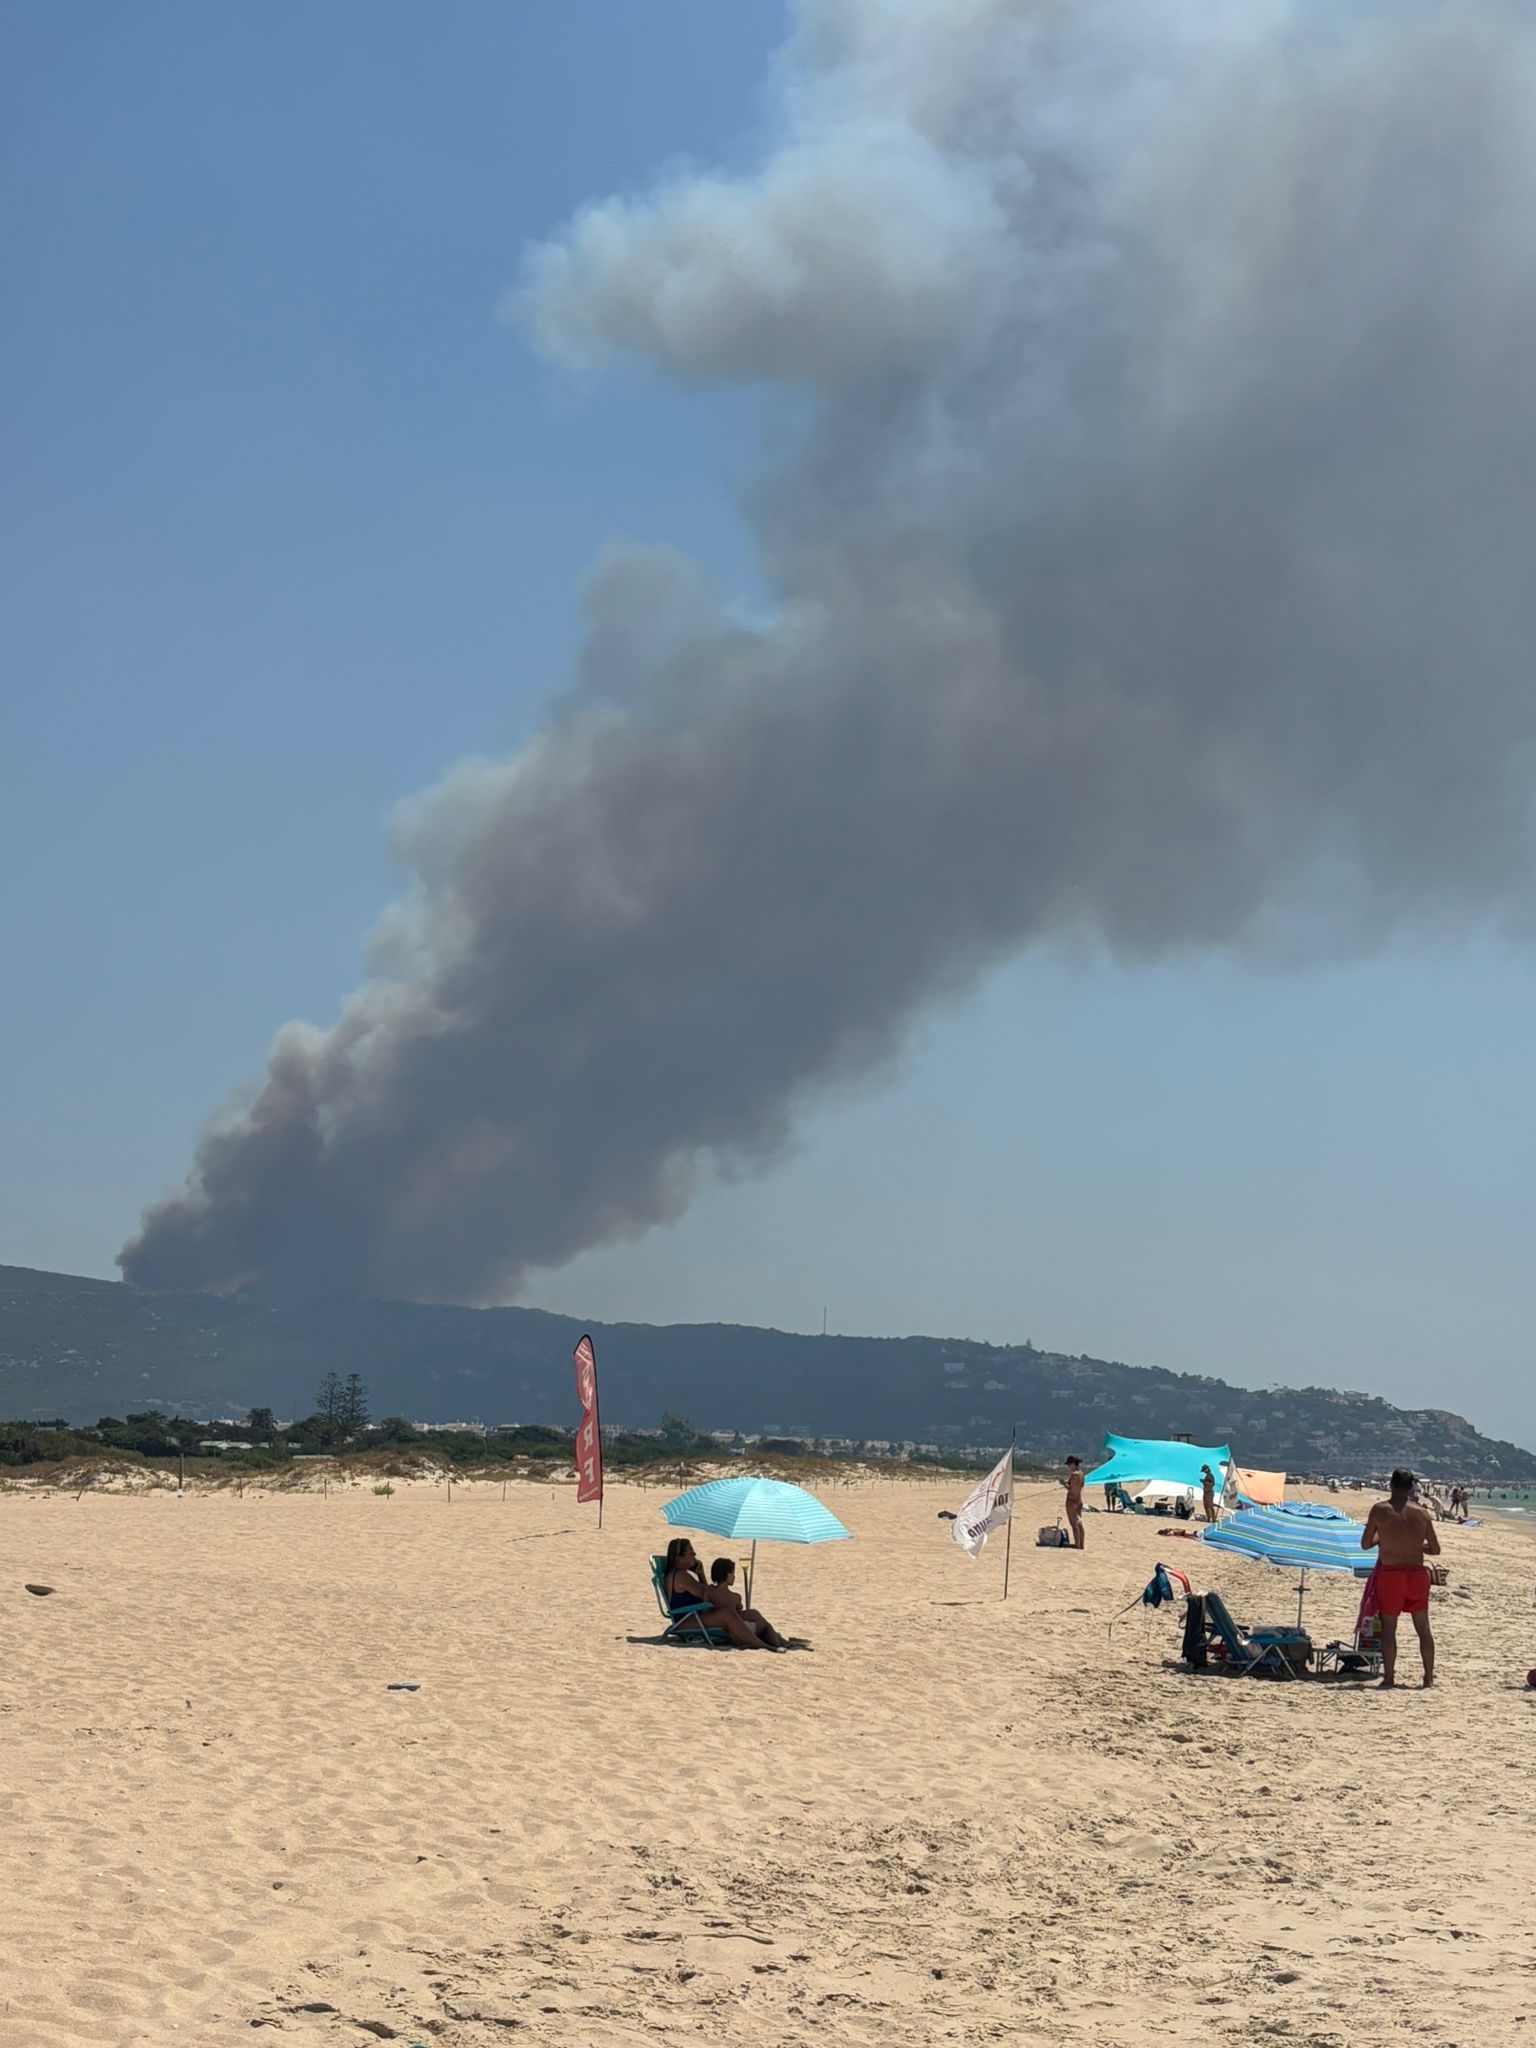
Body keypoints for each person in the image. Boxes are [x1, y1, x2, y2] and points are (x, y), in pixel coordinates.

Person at [1362, 1468, 1441, 1689]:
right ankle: (1428, 1678)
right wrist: (1416, 1546)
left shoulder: (1379, 1510)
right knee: (1423, 1628)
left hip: (1391, 1575)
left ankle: (1389, 1677)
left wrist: (1383, 1539)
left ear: (1391, 1485)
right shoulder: (1422, 1513)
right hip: (1417, 1574)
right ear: (1411, 1488)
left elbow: (1365, 1544)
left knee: (1389, 1627)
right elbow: (1435, 1549)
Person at [661, 1537, 781, 1650]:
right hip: (686, 1621)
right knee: (727, 1614)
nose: (695, 1554)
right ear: (679, 1557)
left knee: (753, 1614)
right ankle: (765, 1646)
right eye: (690, 1552)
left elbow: (707, 1594)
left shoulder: (680, 1574)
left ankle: (780, 1643)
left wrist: (700, 1574)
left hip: (695, 1616)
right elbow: (709, 1594)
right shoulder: (680, 1576)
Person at [708, 1557, 790, 1649]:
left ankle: (780, 1642)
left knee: (754, 1614)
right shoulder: (735, 1597)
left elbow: (706, 1609)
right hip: (738, 1630)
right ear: (727, 1574)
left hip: (716, 1626)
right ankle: (778, 1645)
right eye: (733, 1573)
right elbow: (738, 1610)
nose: (734, 1576)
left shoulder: (709, 1591)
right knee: (765, 1625)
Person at [1063, 1456, 1085, 1549]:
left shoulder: (1074, 1475)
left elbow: (1071, 1489)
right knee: (1079, 1523)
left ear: (1073, 1464)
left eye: (1069, 1464)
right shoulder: (1081, 1474)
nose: (1068, 1467)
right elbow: (1080, 1486)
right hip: (1079, 1500)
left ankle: (1077, 1544)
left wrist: (1063, 1483)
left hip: (1071, 1501)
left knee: (1074, 1524)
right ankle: (1081, 1544)